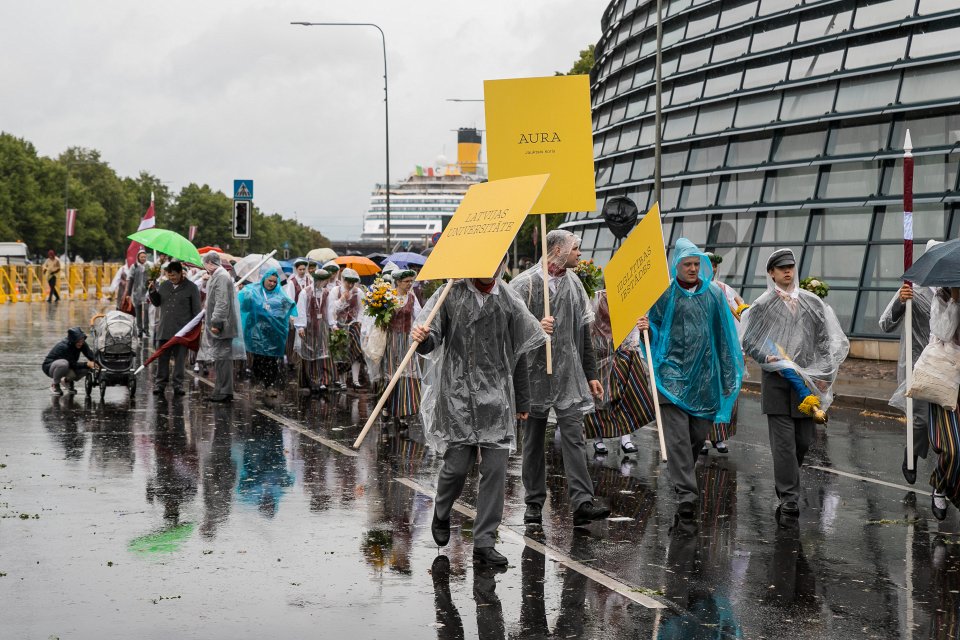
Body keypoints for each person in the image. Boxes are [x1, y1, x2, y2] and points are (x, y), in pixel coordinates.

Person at [413, 260, 545, 566]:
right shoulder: (450, 293)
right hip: (457, 397)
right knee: (457, 467)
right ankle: (442, 510)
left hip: (497, 398)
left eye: (497, 261)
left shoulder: (510, 298)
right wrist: (423, 339)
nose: (491, 267)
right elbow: (433, 336)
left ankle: (485, 541)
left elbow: (520, 349)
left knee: (495, 471)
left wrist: (523, 400)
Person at [510, 230, 611, 528]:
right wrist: (535, 326)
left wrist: (590, 374)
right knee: (533, 441)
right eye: (575, 248)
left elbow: (584, 333)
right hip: (533, 376)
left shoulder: (575, 284)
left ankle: (582, 502)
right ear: (557, 249)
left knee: (575, 437)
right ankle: (533, 503)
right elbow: (510, 330)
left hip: (568, 376)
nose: (580, 254)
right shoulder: (525, 285)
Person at [639, 238, 744, 519]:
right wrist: (645, 329)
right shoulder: (664, 295)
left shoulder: (714, 295)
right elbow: (654, 331)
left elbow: (723, 337)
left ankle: (682, 472)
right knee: (677, 440)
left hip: (704, 379)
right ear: (677, 266)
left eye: (697, 264)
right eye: (688, 264)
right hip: (670, 377)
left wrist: (726, 373)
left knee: (696, 435)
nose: (693, 269)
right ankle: (686, 493)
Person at [740, 248, 848, 517]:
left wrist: (823, 376)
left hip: (806, 386)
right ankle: (789, 497)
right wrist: (768, 357)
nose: (788, 272)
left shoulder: (812, 302)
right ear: (771, 273)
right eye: (781, 268)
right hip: (777, 384)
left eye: (790, 267)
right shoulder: (763, 305)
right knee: (784, 446)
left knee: (802, 441)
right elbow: (750, 341)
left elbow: (825, 341)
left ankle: (789, 481)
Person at [880, 241, 937, 485]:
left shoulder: (953, 289)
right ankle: (911, 453)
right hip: (920, 366)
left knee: (948, 427)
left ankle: (945, 481)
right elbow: (885, 324)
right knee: (922, 420)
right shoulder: (911, 288)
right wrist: (901, 302)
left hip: (950, 366)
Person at [585, 289, 655, 457]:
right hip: (605, 354)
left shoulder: (638, 299)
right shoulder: (599, 296)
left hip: (629, 353)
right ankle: (598, 437)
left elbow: (645, 332)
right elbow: (593, 326)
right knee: (603, 397)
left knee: (629, 396)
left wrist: (645, 328)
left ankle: (626, 437)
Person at [701, 253, 748, 456]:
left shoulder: (725, 289)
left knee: (726, 393)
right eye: (709, 265)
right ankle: (702, 437)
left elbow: (742, 315)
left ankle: (719, 437)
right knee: (704, 395)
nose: (713, 268)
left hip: (725, 350)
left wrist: (740, 349)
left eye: (714, 265)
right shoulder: (697, 289)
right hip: (704, 352)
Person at [925, 286, 960, 520]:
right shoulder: (941, 297)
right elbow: (943, 331)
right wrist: (955, 301)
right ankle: (939, 484)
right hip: (946, 379)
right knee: (954, 448)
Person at [239, 268, 298, 398]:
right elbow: (245, 308)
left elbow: (287, 307)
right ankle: (259, 381)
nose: (272, 284)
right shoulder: (254, 292)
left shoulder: (280, 295)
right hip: (257, 332)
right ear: (264, 279)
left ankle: (269, 385)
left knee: (271, 360)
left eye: (274, 282)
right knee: (259, 359)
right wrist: (247, 298)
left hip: (273, 334)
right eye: (270, 281)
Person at [148, 261, 201, 396]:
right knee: (162, 359)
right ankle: (160, 384)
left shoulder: (192, 288)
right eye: (169, 276)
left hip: (182, 332)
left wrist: (194, 331)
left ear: (181, 273)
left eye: (174, 276)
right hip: (164, 329)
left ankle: (178, 385)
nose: (172, 278)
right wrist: (152, 291)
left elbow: (197, 312)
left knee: (179, 360)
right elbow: (157, 302)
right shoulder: (164, 285)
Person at [380, 269, 423, 425]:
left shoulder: (411, 298)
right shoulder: (388, 297)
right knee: (391, 374)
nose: (410, 284)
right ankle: (386, 408)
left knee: (406, 374)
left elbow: (419, 317)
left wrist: (419, 331)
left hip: (406, 340)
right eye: (406, 281)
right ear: (398, 282)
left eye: (411, 281)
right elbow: (378, 320)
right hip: (391, 341)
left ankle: (403, 412)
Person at [200, 252, 241, 403]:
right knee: (219, 358)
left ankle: (224, 391)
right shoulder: (216, 275)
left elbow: (222, 302)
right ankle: (220, 390)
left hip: (222, 326)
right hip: (220, 324)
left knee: (223, 359)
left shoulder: (221, 276)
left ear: (210, 262)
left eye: (205, 263)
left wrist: (216, 323)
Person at [293, 268, 337, 393]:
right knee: (310, 355)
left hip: (322, 328)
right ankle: (312, 380)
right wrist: (300, 326)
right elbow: (300, 310)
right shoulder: (305, 292)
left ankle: (324, 380)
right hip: (309, 328)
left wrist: (332, 324)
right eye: (324, 280)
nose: (326, 282)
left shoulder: (326, 293)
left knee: (323, 354)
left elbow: (329, 310)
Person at [332, 267, 365, 389]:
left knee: (356, 351)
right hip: (339, 325)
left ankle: (355, 380)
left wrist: (360, 321)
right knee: (341, 353)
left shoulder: (358, 292)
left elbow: (362, 309)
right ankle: (342, 380)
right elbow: (332, 309)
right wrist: (342, 300)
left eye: (353, 282)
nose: (350, 285)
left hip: (354, 325)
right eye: (348, 282)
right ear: (343, 280)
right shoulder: (336, 291)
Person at [42, 327, 97, 395]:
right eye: (78, 342)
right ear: (73, 341)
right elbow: (72, 364)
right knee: (64, 364)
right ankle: (55, 385)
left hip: (68, 366)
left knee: (88, 369)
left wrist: (97, 363)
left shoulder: (82, 343)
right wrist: (87, 364)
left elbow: (90, 355)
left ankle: (67, 381)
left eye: (82, 341)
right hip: (51, 367)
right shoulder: (64, 347)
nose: (81, 343)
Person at [284, 258, 311, 372]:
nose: (302, 271)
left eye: (304, 269)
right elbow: (290, 298)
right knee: (292, 337)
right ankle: (291, 360)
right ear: (296, 269)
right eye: (300, 269)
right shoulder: (292, 282)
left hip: (307, 313)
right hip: (296, 313)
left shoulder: (310, 281)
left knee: (305, 337)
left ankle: (303, 359)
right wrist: (292, 316)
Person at [126, 250, 151, 337]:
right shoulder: (134, 266)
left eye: (144, 257)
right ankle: (139, 329)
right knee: (138, 312)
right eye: (142, 257)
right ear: (138, 257)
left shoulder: (149, 266)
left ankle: (146, 329)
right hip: (137, 292)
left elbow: (152, 278)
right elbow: (130, 280)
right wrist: (128, 293)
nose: (143, 258)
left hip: (147, 293)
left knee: (147, 311)